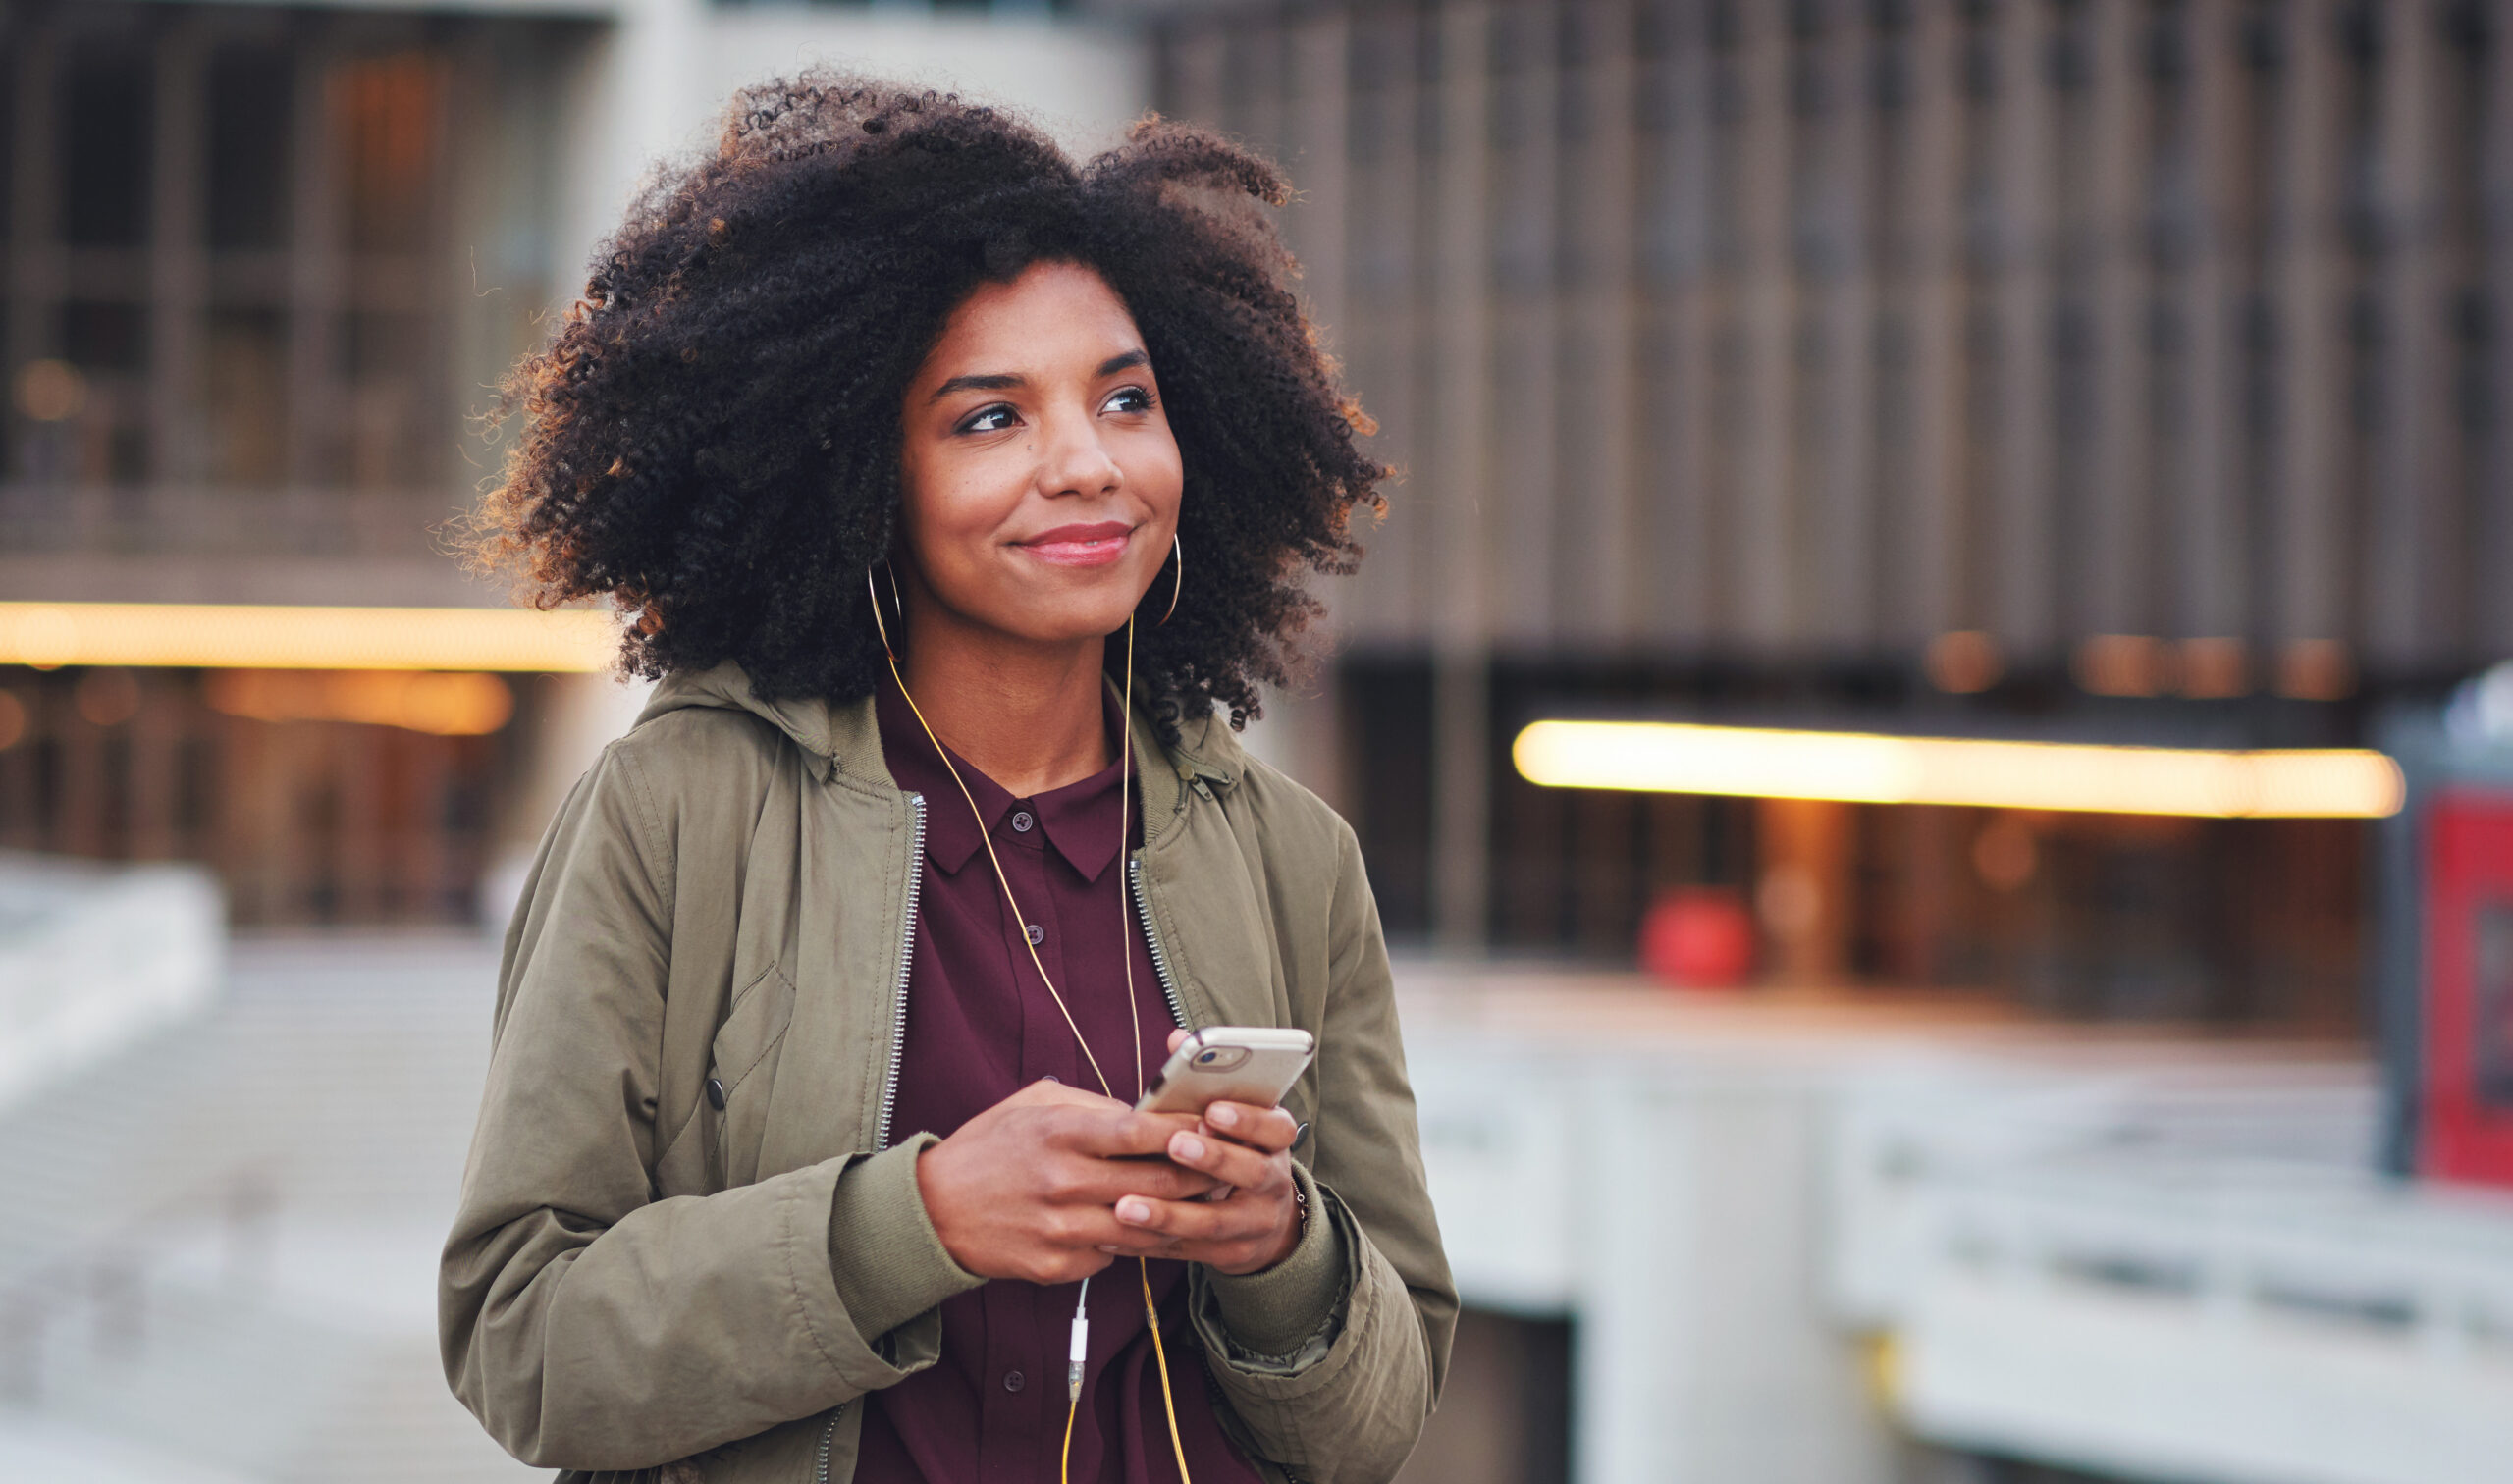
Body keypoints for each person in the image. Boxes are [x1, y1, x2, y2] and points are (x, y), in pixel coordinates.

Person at [439, 74, 1456, 1484]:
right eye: (991, 419)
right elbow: (523, 1338)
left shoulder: (1295, 859)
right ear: (864, 470)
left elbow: (1385, 1416)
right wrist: (914, 1224)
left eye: (1127, 399)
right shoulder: (676, 810)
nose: (1087, 465)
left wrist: (1280, 1248)